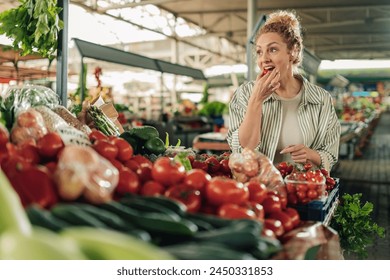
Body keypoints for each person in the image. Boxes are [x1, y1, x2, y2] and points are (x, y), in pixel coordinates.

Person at [227, 10, 340, 171]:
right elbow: (242, 151)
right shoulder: (244, 94)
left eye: (272, 50)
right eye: (259, 51)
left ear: (292, 51)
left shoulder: (321, 99)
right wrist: (256, 99)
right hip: (259, 190)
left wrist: (311, 154)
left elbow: (330, 155)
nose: (264, 59)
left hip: (303, 188)